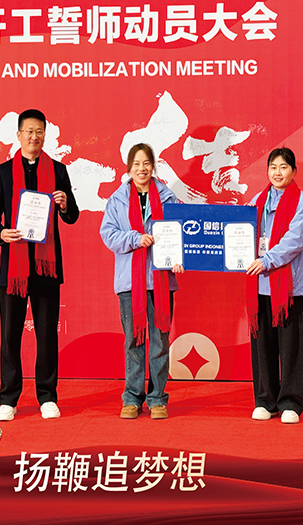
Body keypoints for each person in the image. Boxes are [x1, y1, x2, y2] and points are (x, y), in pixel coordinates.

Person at [0, 109, 79, 421]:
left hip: (46, 267)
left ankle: (47, 396)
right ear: (19, 135)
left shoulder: (59, 171)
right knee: (10, 335)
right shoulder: (3, 172)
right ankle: (8, 399)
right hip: (14, 267)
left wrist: (64, 205)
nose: (34, 137)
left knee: (47, 334)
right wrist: (1, 233)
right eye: (29, 131)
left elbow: (72, 216)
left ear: (45, 135)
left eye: (39, 131)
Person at [100, 143, 183, 420]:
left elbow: (181, 233)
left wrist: (179, 258)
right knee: (133, 342)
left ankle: (157, 398)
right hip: (129, 283)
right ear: (129, 168)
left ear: (153, 166)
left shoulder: (168, 198)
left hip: (161, 281)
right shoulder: (118, 200)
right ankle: (132, 398)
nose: (141, 169)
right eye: (136, 164)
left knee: (160, 341)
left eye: (146, 163)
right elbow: (108, 234)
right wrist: (135, 238)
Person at [246, 147, 303, 425]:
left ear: (293, 172)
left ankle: (291, 402)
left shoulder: (302, 202)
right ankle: (266, 400)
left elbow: (294, 241)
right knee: (263, 345)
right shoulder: (257, 201)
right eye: (273, 167)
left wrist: (267, 260)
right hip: (260, 285)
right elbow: (240, 233)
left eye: (283, 167)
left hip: (289, 289)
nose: (277, 172)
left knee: (292, 346)